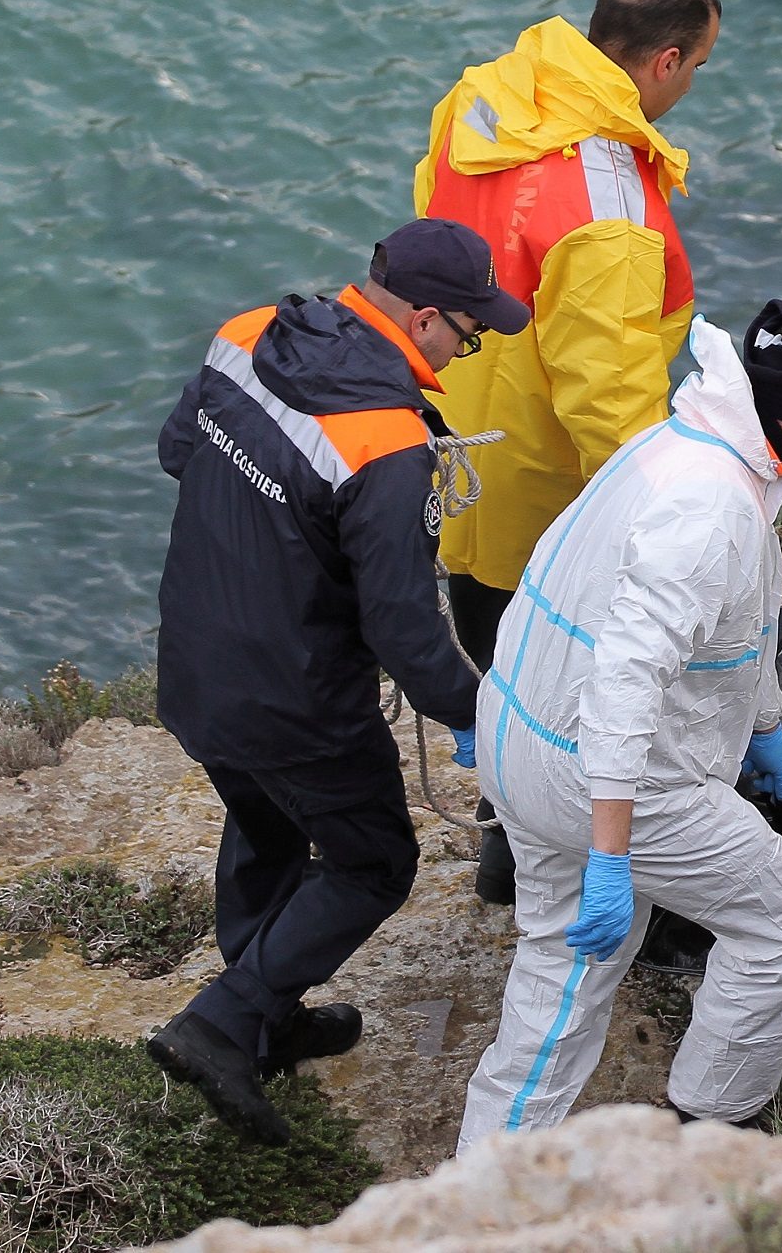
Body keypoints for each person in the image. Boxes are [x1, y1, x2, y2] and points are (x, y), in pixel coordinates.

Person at [455, 301, 782, 1147]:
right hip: (609, 777)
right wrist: (613, 852)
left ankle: (483, 1181)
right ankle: (713, 1117)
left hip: (519, 738)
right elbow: (622, 685)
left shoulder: (671, 445)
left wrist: (762, 723)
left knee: (565, 965)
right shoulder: (710, 508)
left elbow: (735, 620)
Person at [147, 220, 531, 1145]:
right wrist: (480, 718)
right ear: (427, 318)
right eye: (470, 331)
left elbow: (175, 451)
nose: (468, 348)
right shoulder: (387, 444)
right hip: (299, 699)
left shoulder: (245, 335)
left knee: (266, 822)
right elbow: (403, 628)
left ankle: (270, 1017)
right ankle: (226, 1024)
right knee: (371, 862)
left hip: (196, 662)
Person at [414, 0, 721, 905]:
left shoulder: (483, 101)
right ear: (665, 61)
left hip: (452, 443)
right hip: (544, 498)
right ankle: (541, 865)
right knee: (556, 694)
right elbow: (609, 396)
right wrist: (657, 530)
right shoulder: (609, 207)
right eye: (700, 64)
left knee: (485, 652)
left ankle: (502, 841)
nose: (694, 81)